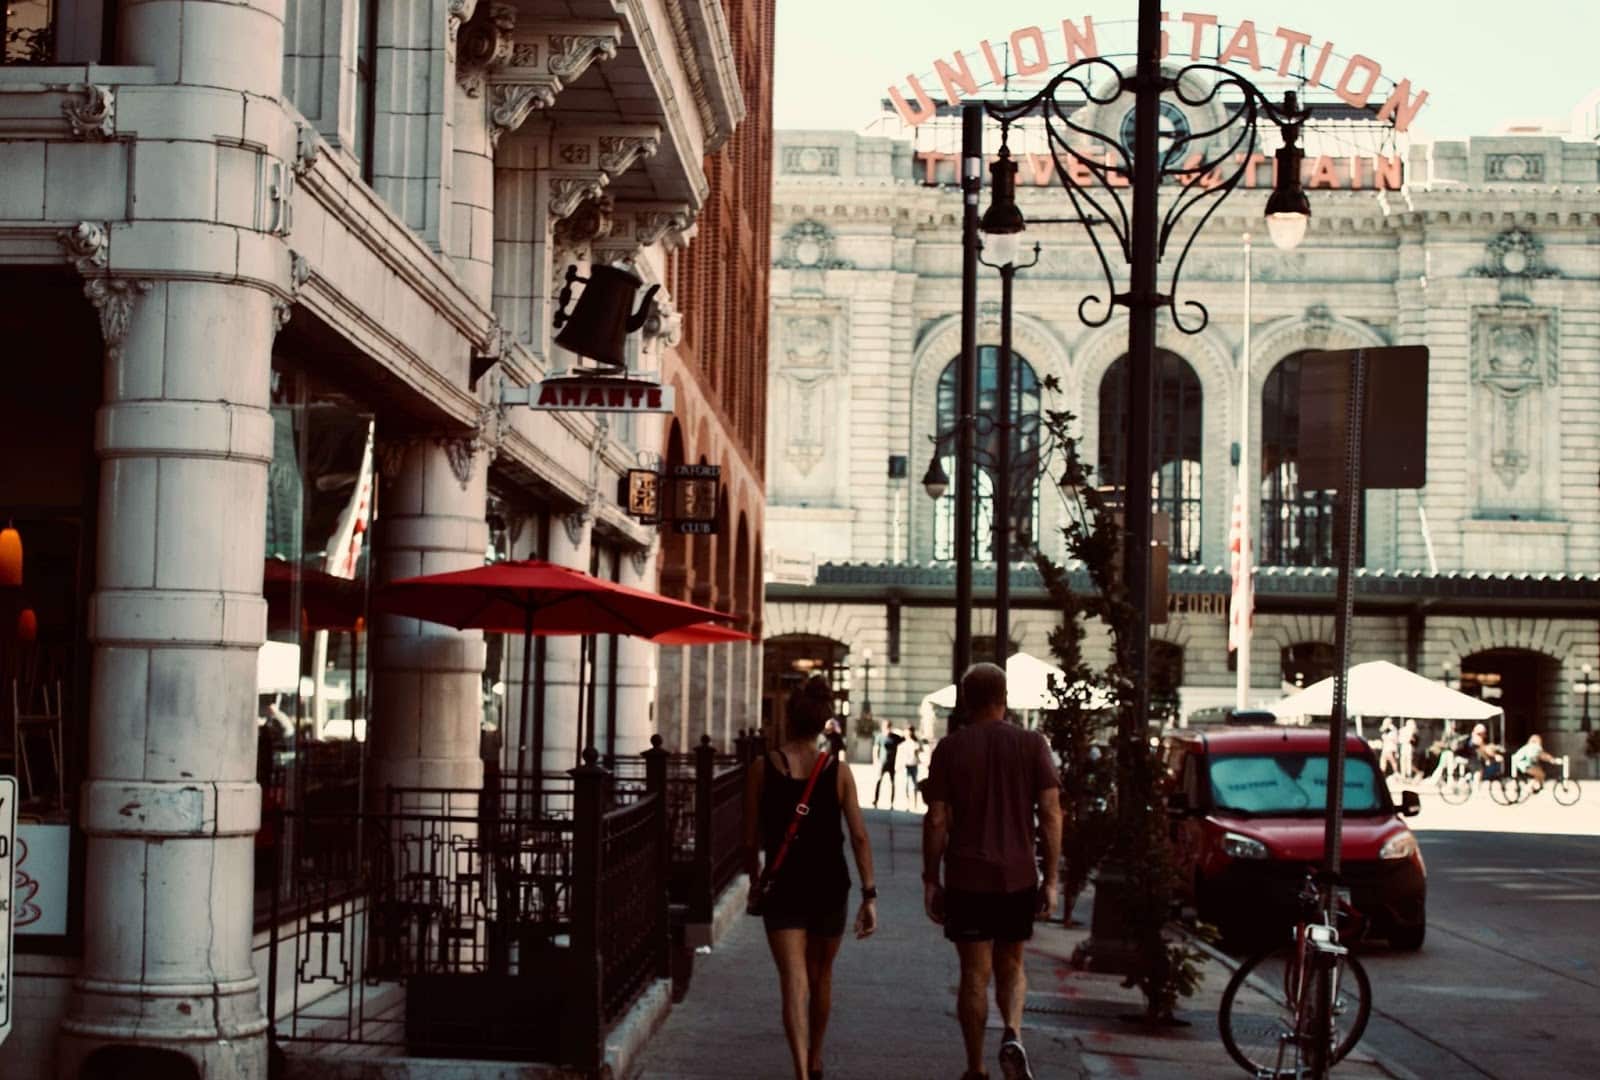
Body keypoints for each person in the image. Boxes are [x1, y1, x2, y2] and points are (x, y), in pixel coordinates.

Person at [922, 663, 1063, 1080]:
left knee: (973, 973)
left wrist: (931, 879)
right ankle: (1014, 1032)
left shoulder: (950, 749)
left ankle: (974, 1067)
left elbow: (936, 820)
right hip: (1018, 875)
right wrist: (1051, 879)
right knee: (1013, 965)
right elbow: (1052, 814)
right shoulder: (1033, 744)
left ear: (966, 701)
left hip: (967, 877)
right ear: (1005, 698)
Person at [744, 676, 878, 1080]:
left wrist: (755, 881)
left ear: (787, 720)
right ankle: (816, 1058)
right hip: (829, 887)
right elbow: (858, 836)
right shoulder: (838, 773)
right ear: (823, 723)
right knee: (821, 977)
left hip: (783, 887)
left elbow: (750, 840)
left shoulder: (761, 768)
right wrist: (870, 894)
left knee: (793, 981)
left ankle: (801, 1071)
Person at [873, 720, 904, 809]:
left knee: (893, 783)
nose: (887, 729)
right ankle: (875, 800)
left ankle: (891, 803)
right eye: (885, 727)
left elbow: (904, 739)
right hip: (882, 762)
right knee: (878, 781)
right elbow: (875, 748)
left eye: (888, 727)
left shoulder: (895, 737)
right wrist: (875, 760)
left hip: (892, 764)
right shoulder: (879, 736)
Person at [903, 730, 924, 808]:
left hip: (913, 765)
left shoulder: (914, 743)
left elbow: (920, 750)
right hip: (908, 765)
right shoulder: (906, 743)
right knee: (909, 784)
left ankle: (913, 803)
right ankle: (910, 803)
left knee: (913, 784)